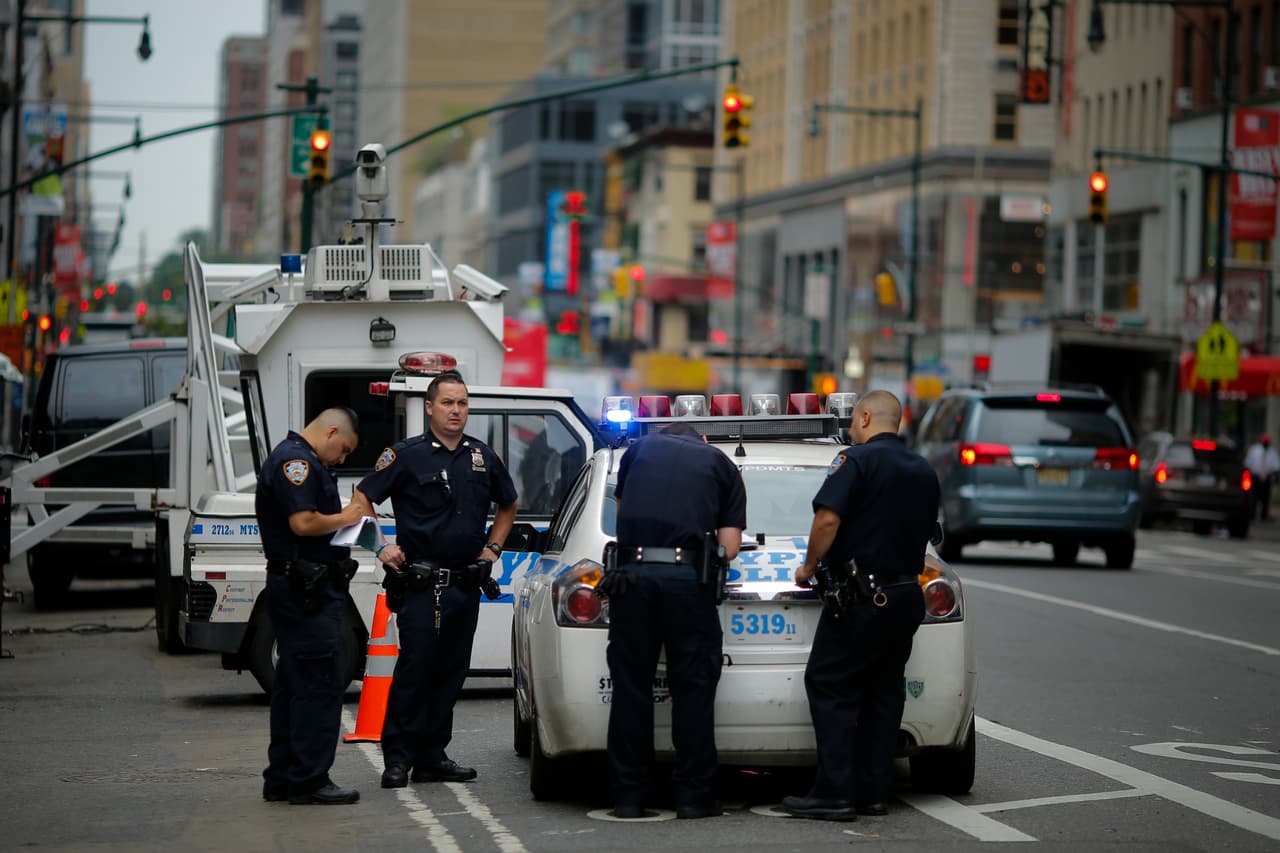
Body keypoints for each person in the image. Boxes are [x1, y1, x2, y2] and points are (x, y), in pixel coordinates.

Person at [349, 370, 518, 789]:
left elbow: (509, 504)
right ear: (429, 407)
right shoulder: (406, 455)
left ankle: (432, 755)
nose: (456, 411)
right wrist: (381, 547)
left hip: (465, 582)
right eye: (447, 403)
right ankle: (398, 758)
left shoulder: (481, 456)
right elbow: (361, 498)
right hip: (422, 585)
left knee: (451, 671)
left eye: (462, 403)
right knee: (416, 669)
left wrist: (491, 551)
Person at [784, 390, 940, 822]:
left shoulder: (856, 461)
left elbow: (828, 518)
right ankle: (874, 793)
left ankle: (833, 792)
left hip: (864, 596)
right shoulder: (924, 469)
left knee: (829, 683)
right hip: (907, 595)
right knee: (884, 691)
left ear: (867, 416)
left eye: (854, 420)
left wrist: (809, 566)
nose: (852, 428)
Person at [603, 421, 746, 820]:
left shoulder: (635, 453)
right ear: (700, 440)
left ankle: (629, 797)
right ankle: (692, 796)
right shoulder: (721, 463)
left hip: (631, 578)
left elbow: (621, 516)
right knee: (693, 688)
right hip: (688, 582)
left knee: (631, 687)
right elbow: (729, 547)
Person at [257, 407, 364, 805]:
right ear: (332, 431)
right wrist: (348, 515)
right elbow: (303, 523)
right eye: (345, 449)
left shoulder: (295, 458)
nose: (342, 458)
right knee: (319, 684)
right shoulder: (297, 462)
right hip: (307, 591)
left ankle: (284, 776)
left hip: (299, 585)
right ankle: (309, 779)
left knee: (293, 683)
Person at [1245, 433, 1280, 522]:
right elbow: (1248, 464)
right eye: (1264, 442)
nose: (1265, 443)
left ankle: (1263, 516)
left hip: (1267, 478)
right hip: (1255, 477)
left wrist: (1276, 478)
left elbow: (1276, 467)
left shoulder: (1272, 452)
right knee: (1253, 497)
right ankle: (1252, 515)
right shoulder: (1254, 450)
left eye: (1267, 442)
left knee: (1265, 498)